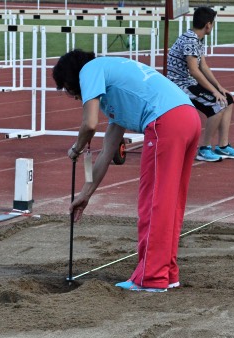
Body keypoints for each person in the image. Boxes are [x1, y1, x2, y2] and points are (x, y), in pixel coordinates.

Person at [54, 50, 200, 292]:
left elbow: (89, 124)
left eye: (70, 91)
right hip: (188, 117)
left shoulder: (90, 69)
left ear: (73, 79)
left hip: (165, 121)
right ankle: (167, 273)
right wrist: (85, 194)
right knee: (170, 202)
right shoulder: (115, 89)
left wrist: (76, 148)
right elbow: (106, 151)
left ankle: (151, 277)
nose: (75, 97)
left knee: (153, 202)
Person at [167, 6, 234, 162]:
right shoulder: (190, 40)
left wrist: (219, 88)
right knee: (218, 105)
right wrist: (214, 92)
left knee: (227, 98)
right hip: (179, 85)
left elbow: (203, 67)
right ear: (208, 25)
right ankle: (204, 149)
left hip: (189, 82)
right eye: (213, 23)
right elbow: (194, 70)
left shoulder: (197, 38)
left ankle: (223, 146)